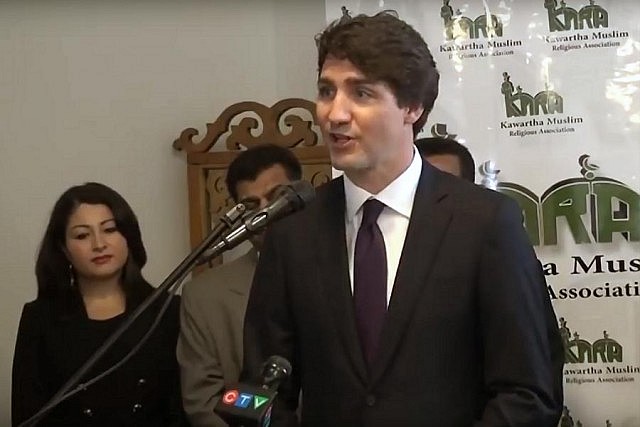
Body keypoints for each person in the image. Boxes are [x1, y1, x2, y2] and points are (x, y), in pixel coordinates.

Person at [242, 11, 563, 427]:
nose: (334, 114)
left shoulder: (484, 222)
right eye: (326, 91)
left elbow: (529, 392)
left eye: (361, 94)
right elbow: (257, 390)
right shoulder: (293, 230)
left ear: (412, 106)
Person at [11, 182, 185, 427]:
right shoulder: (40, 317)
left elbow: (180, 408)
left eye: (110, 229)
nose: (99, 244)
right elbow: (27, 411)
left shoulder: (168, 310)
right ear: (64, 248)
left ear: (128, 236)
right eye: (82, 235)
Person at [177, 143, 302, 427]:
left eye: (276, 197)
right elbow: (204, 403)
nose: (266, 212)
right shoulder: (204, 296)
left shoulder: (351, 267)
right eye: (251, 205)